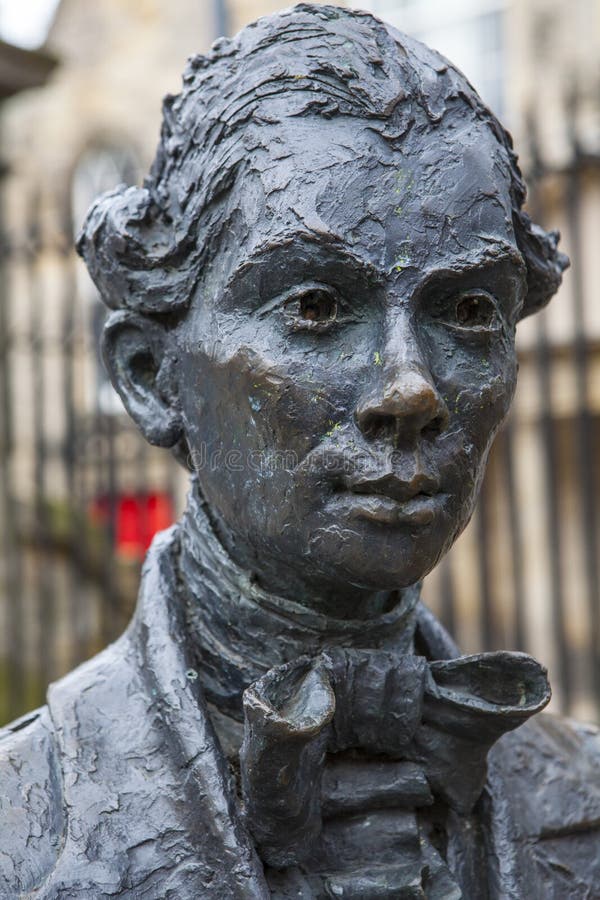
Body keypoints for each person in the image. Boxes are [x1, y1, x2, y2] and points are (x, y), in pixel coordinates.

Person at [2, 5, 598, 898]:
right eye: (314, 306)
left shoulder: (585, 801)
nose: (411, 388)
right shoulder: (23, 822)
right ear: (150, 376)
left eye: (470, 310)